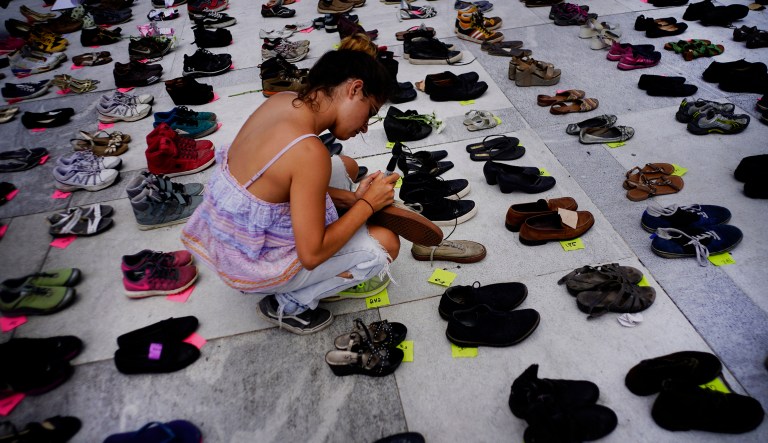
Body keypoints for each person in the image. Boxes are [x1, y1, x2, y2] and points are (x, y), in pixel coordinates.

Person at [181, 49, 403, 335]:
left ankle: (345, 214)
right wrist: (367, 207)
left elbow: (276, 184)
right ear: (355, 89)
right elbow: (311, 254)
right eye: (369, 112)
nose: (363, 127)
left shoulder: (283, 101)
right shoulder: (309, 152)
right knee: (384, 245)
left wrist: (354, 199)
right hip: (250, 264)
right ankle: (290, 304)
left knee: (344, 165)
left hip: (227, 238)